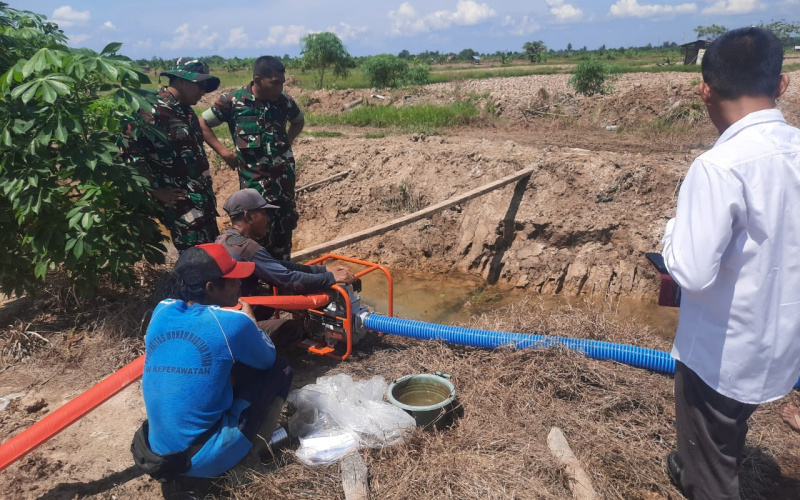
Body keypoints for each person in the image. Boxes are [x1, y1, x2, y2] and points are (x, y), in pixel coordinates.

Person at [661, 27, 800, 499]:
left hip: (721, 358)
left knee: (711, 471)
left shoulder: (719, 167)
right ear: (781, 84)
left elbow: (693, 272)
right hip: (780, 346)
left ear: (705, 89)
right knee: (730, 428)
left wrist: (671, 237)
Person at [135, 243, 292, 497]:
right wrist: (251, 321)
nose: (240, 283)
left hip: (158, 452)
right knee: (281, 369)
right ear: (211, 288)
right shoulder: (232, 323)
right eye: (232, 280)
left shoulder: (162, 310)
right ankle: (252, 452)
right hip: (200, 459)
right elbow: (267, 359)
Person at [215, 188, 355, 351]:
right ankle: (250, 353)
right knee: (291, 329)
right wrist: (330, 278)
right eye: (264, 213)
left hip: (220, 313)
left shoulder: (224, 239)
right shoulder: (247, 248)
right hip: (230, 321)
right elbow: (290, 280)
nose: (268, 219)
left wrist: (322, 269)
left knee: (265, 297)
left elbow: (278, 265)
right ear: (249, 216)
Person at [199, 56, 305, 261]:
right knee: (255, 241)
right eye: (275, 83)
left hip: (284, 188)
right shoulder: (233, 102)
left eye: (282, 83)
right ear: (257, 79)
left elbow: (298, 121)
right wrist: (224, 153)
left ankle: (282, 282)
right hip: (255, 192)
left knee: (284, 237)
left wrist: (287, 143)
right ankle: (256, 285)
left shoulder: (284, 102)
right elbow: (203, 123)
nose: (280, 88)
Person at [123, 58, 221, 251]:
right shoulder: (150, 110)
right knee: (194, 263)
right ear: (180, 80)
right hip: (181, 207)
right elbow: (129, 153)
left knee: (212, 257)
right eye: (199, 85)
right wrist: (154, 190)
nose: (203, 92)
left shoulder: (188, 113)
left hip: (203, 201)